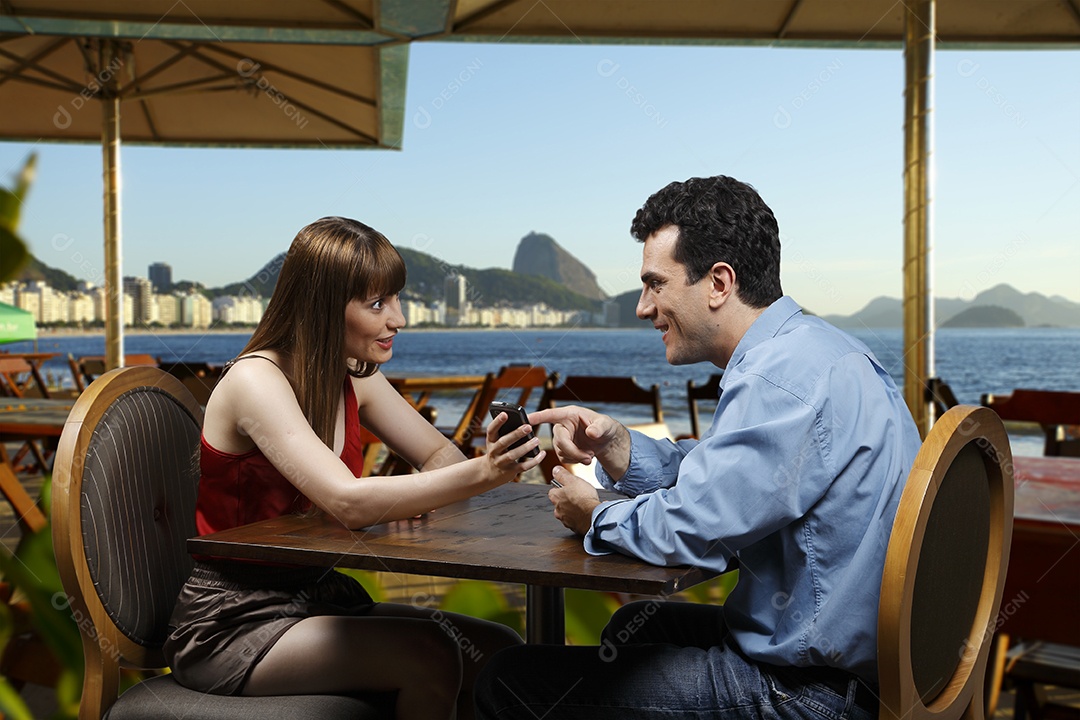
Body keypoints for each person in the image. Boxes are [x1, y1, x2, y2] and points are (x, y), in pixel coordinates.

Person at [475, 176, 922, 719]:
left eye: (655, 284)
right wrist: (620, 448)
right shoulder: (819, 352)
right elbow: (731, 476)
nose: (642, 307)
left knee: (509, 679)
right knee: (631, 627)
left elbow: (691, 532)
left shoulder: (777, 381)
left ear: (718, 283)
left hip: (810, 695)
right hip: (872, 665)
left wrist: (594, 514)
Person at [164, 216, 543, 720]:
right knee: (431, 654)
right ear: (323, 308)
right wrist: (482, 474)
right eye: (378, 304)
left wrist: (414, 495)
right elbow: (347, 501)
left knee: (501, 650)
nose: (399, 319)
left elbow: (440, 456)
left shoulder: (353, 377)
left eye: (396, 300)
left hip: (319, 597)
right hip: (233, 619)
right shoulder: (255, 380)